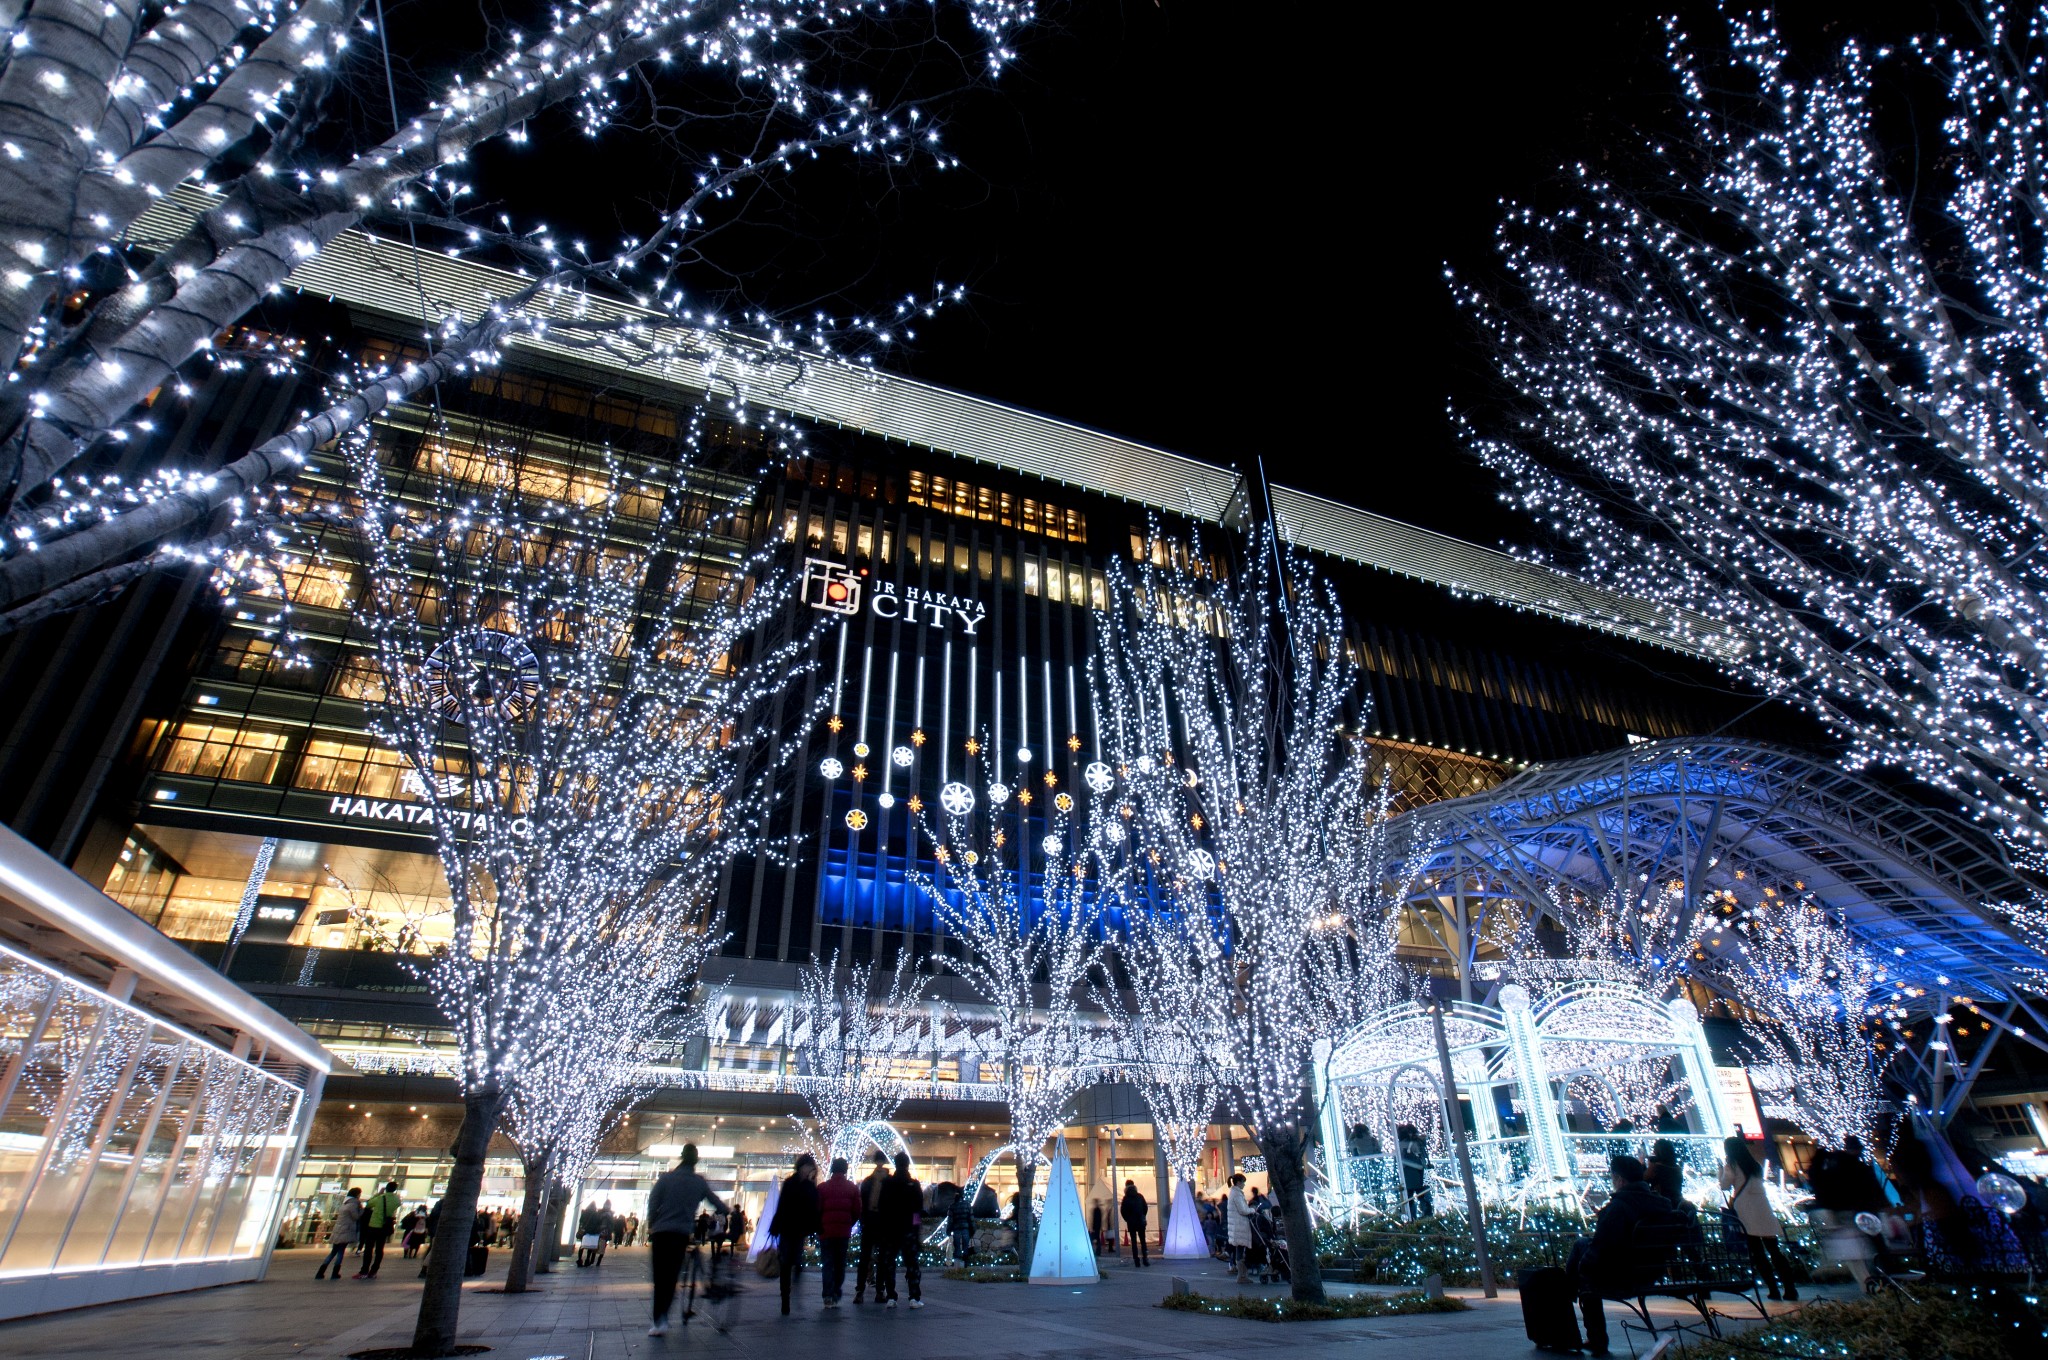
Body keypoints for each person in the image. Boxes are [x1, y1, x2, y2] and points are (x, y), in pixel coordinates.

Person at [1568, 1156, 1680, 1358]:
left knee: (1582, 1254)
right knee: (1584, 1251)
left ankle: (1570, 1299)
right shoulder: (1662, 1204)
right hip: (1653, 1273)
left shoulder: (1617, 1208)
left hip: (1622, 1276)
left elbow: (1601, 1249)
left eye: (1612, 1178)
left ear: (1620, 1180)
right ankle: (1570, 1292)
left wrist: (1583, 1268)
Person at [647, 1144, 727, 1337]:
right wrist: (725, 1211)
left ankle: (658, 1321)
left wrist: (653, 1222)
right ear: (696, 1161)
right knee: (671, 1276)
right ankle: (663, 1317)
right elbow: (717, 1203)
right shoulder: (698, 1182)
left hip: (661, 1233)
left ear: (681, 1158)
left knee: (660, 1278)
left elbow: (653, 1202)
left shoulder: (666, 1179)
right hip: (680, 1234)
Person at [1721, 1136, 1797, 1301]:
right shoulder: (1754, 1165)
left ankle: (1773, 1290)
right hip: (1763, 1208)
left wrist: (1721, 1170)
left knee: (1758, 1253)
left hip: (1745, 1210)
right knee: (1775, 1251)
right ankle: (1790, 1288)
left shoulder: (1731, 1165)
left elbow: (1724, 1185)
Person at [1810, 1136, 1886, 1286]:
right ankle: (1878, 1278)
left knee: (1856, 1252)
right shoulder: (1858, 1167)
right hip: (1860, 1209)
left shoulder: (1832, 1168)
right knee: (1869, 1246)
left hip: (1843, 1211)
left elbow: (1820, 1184)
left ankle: (1869, 1282)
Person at [769, 1152, 821, 1316]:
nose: (808, 1170)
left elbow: (814, 1208)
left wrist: (816, 1228)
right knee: (785, 1263)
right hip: (787, 1227)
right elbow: (782, 1204)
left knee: (796, 1260)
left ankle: (794, 1280)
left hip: (799, 1229)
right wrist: (775, 1225)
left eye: (811, 1167)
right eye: (807, 1167)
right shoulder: (790, 1183)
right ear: (801, 1167)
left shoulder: (810, 1185)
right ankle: (785, 1298)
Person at [876, 1151, 924, 1308]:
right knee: (912, 1263)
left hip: (891, 1230)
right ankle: (914, 1297)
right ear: (907, 1165)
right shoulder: (913, 1185)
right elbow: (918, 1211)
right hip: (908, 1230)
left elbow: (881, 1208)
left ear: (895, 1164)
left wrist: (883, 1229)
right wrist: (916, 1231)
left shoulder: (887, 1183)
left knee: (890, 1263)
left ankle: (891, 1296)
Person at [815, 1156, 862, 1306]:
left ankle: (827, 1295)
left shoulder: (822, 1188)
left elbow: (817, 1209)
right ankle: (836, 1292)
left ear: (832, 1170)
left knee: (827, 1263)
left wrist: (819, 1225)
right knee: (840, 1264)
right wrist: (849, 1223)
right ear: (845, 1170)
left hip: (826, 1232)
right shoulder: (852, 1188)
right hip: (843, 1232)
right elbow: (857, 1210)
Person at [853, 1151, 890, 1304]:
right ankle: (877, 1291)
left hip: (871, 1222)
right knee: (878, 1258)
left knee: (867, 1257)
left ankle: (863, 1291)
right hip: (880, 1222)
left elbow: (861, 1202)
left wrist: (863, 1220)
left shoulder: (869, 1181)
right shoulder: (887, 1181)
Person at [356, 1180, 403, 1278]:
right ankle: (374, 1271)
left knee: (368, 1249)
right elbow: (399, 1203)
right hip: (385, 1227)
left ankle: (364, 1271)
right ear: (395, 1190)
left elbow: (369, 1204)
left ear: (386, 1188)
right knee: (379, 1249)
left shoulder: (380, 1198)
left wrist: (379, 1193)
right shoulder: (396, 1200)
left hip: (374, 1225)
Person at [316, 1189, 363, 1280]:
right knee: (341, 1252)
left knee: (333, 1252)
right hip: (346, 1231)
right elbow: (356, 1217)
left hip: (338, 1231)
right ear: (357, 1195)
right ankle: (335, 1273)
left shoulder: (344, 1204)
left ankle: (320, 1272)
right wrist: (361, 1210)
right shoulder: (353, 1205)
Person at [1398, 1124, 1433, 1219]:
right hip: (1423, 1172)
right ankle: (1428, 1217)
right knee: (1424, 1196)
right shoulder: (1419, 1142)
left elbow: (1400, 1159)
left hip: (1409, 1174)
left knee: (1409, 1199)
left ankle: (1412, 1218)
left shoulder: (1402, 1144)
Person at [1225, 1173, 1254, 1275]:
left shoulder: (1233, 1193)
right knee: (1240, 1250)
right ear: (1238, 1182)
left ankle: (1241, 1274)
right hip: (1239, 1225)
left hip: (1236, 1226)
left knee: (1239, 1249)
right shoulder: (1237, 1194)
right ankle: (1241, 1275)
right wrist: (1252, 1210)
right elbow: (1243, 1210)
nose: (1244, 1184)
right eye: (1243, 1182)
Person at [1120, 1179, 1150, 1268]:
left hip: (1131, 1223)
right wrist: (1143, 1216)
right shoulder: (1140, 1196)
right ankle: (1145, 1259)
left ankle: (1136, 1261)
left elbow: (1123, 1211)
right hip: (1140, 1221)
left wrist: (1128, 1219)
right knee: (1143, 1241)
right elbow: (1145, 1208)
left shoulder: (1126, 1198)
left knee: (1134, 1242)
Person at [1647, 1139, 1684, 1208]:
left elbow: (1644, 1179)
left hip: (1661, 1203)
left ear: (1658, 1152)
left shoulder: (1656, 1168)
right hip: (1677, 1201)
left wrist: (1644, 1165)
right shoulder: (1677, 1168)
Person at [946, 1180, 976, 1262]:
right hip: (966, 1229)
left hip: (956, 1229)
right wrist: (973, 1229)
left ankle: (958, 1263)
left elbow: (950, 1220)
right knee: (966, 1247)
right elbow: (971, 1218)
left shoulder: (952, 1206)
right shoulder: (967, 1205)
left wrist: (948, 1230)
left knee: (957, 1248)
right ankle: (965, 1263)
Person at [577, 1201, 606, 1267]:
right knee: (590, 1246)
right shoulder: (596, 1214)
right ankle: (587, 1260)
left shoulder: (584, 1212)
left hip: (584, 1231)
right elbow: (598, 1223)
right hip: (592, 1232)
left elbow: (581, 1221)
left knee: (582, 1246)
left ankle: (579, 1260)